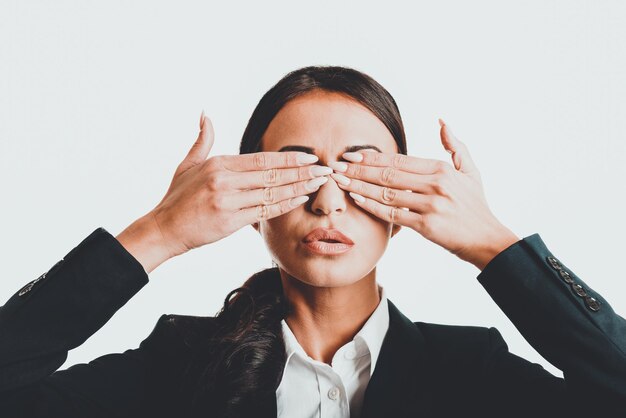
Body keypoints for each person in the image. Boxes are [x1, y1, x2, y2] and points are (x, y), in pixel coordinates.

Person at [0, 66, 624, 418]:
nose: (328, 200)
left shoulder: (472, 374)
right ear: (249, 205)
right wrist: (157, 234)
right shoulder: (179, 364)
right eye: (294, 173)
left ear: (404, 207)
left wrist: (493, 243)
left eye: (362, 174)